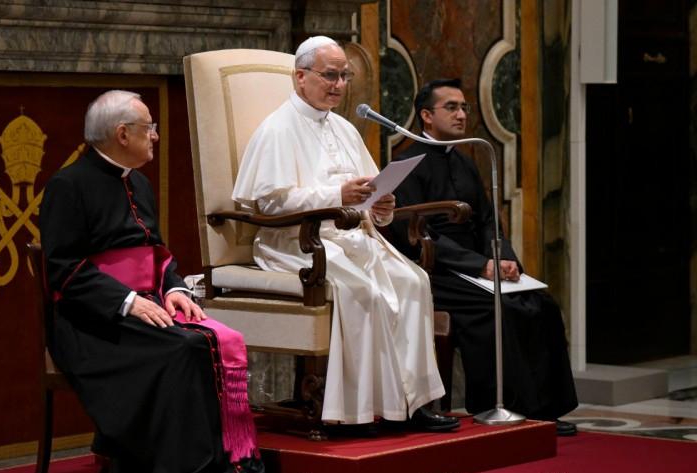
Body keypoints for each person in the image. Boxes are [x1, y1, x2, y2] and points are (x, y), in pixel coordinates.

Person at [39, 90, 294, 473]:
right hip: (90, 321)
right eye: (149, 128)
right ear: (123, 134)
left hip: (146, 304)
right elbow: (62, 269)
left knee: (218, 341)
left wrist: (174, 289)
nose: (155, 136)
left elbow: (156, 253)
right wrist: (126, 301)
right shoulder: (68, 186)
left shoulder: (138, 182)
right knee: (185, 348)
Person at [231, 36, 459, 433]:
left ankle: (413, 405)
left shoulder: (344, 129)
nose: (338, 85)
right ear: (300, 77)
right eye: (330, 75)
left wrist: (380, 208)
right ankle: (357, 411)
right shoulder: (277, 129)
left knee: (413, 281)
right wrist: (337, 195)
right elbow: (269, 202)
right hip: (298, 242)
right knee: (362, 291)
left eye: (344, 76)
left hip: (351, 238)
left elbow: (367, 192)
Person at [389, 79, 579, 436]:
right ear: (426, 116)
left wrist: (502, 258)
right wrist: (479, 265)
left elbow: (489, 219)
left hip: (479, 264)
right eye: (451, 107)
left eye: (464, 107)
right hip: (436, 269)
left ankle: (547, 410)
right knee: (499, 307)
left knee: (541, 304)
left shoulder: (466, 162)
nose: (462, 115)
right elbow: (413, 233)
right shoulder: (406, 165)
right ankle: (506, 406)